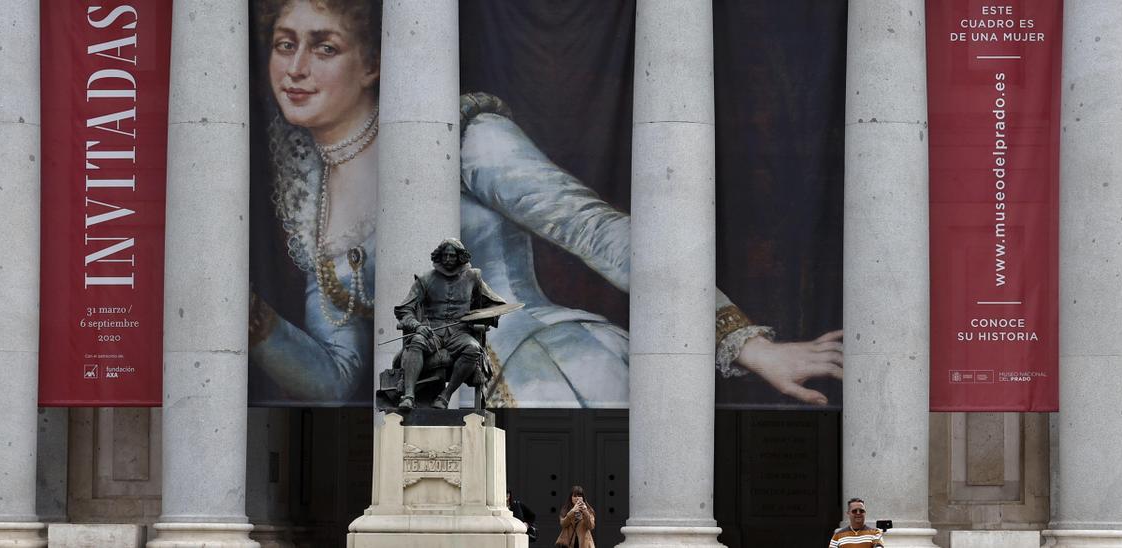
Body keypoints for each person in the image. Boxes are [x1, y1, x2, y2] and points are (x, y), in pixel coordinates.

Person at [249, 0, 844, 408]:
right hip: (440, 422)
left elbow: (598, 232)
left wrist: (748, 344)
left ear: (373, 63)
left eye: (323, 47)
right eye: (284, 45)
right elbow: (336, 378)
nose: (296, 69)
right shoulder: (313, 210)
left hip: (553, 377)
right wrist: (257, 324)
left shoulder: (459, 136)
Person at [394, 239, 506, 409]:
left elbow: (497, 305)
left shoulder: (473, 277)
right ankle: (408, 397)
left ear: (460, 257)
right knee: (416, 340)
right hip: (433, 333)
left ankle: (445, 396)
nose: (448, 259)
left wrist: (480, 318)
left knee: (473, 348)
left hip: (460, 333)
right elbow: (404, 309)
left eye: (452, 255)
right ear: (439, 256)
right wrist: (417, 325)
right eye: (444, 255)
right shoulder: (425, 279)